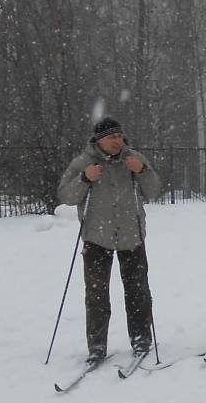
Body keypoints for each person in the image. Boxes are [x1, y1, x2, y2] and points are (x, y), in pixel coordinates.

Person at [56, 117, 163, 364]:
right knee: (96, 295)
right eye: (112, 137)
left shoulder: (133, 159)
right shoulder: (83, 163)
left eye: (120, 136)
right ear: (99, 140)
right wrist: (84, 178)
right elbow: (65, 196)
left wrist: (142, 171)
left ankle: (141, 340)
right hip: (96, 237)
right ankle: (96, 346)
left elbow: (155, 190)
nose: (118, 141)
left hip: (131, 234)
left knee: (138, 290)